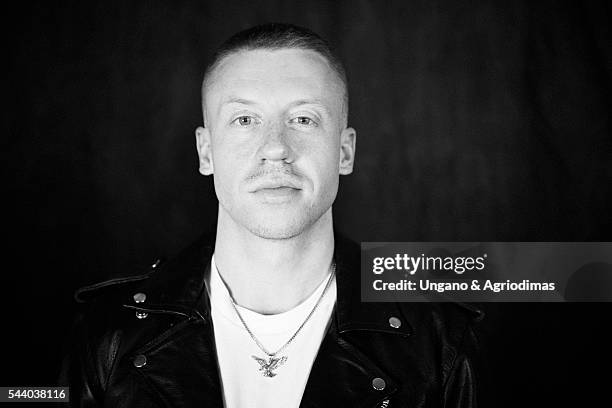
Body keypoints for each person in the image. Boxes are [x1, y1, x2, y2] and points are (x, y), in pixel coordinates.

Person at [60, 23, 482, 407]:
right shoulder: (107, 332)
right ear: (206, 152)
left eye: (303, 118)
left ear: (345, 150)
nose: (276, 146)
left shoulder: (441, 340)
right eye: (245, 119)